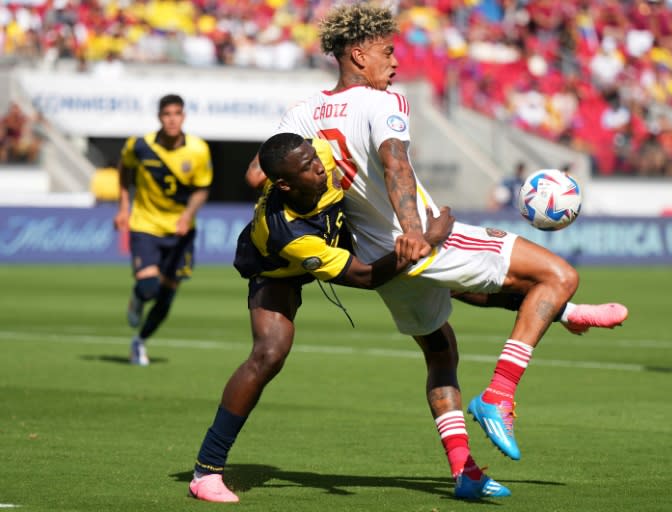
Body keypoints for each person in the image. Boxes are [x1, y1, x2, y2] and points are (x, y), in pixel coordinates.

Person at [242, 2, 628, 494]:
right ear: (358, 54)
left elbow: (261, 172)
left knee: (440, 349)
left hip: (381, 260)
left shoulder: (302, 112)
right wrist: (416, 230)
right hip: (420, 239)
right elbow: (395, 163)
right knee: (556, 276)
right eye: (386, 52)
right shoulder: (385, 103)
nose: (395, 62)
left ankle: (465, 473)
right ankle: (500, 395)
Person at [189, 133, 459, 502]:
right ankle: (207, 472)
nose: (318, 165)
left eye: (314, 158)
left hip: (336, 236)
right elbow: (364, 277)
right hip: (279, 270)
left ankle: (544, 306)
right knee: (269, 353)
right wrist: (425, 240)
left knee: (435, 275)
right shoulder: (286, 231)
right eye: (306, 167)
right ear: (283, 184)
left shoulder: (320, 156)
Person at [113, 94, 213, 366]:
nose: (172, 119)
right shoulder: (140, 145)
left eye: (177, 113)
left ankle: (140, 341)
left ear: (184, 117)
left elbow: (201, 189)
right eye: (167, 114)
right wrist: (123, 208)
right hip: (145, 225)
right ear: (159, 117)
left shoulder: (198, 150)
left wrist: (187, 215)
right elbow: (124, 170)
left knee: (166, 297)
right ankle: (137, 296)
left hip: (181, 231)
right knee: (148, 288)